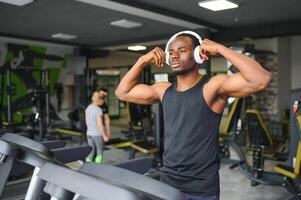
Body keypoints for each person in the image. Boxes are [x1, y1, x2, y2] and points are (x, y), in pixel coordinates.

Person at [115, 30, 272, 200]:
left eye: (182, 50)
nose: (174, 55)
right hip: (168, 181)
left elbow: (261, 79)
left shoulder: (212, 87)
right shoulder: (163, 90)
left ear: (198, 55)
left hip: (201, 187)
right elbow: (123, 93)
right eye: (171, 52)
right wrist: (141, 60)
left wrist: (220, 48)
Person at [85, 91, 111, 163]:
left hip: (89, 133)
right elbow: (100, 125)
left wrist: (91, 129)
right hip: (97, 134)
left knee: (91, 151)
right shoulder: (98, 110)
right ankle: (98, 167)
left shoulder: (88, 108)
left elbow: (87, 122)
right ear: (99, 100)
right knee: (99, 151)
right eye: (102, 100)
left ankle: (88, 165)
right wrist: (104, 135)